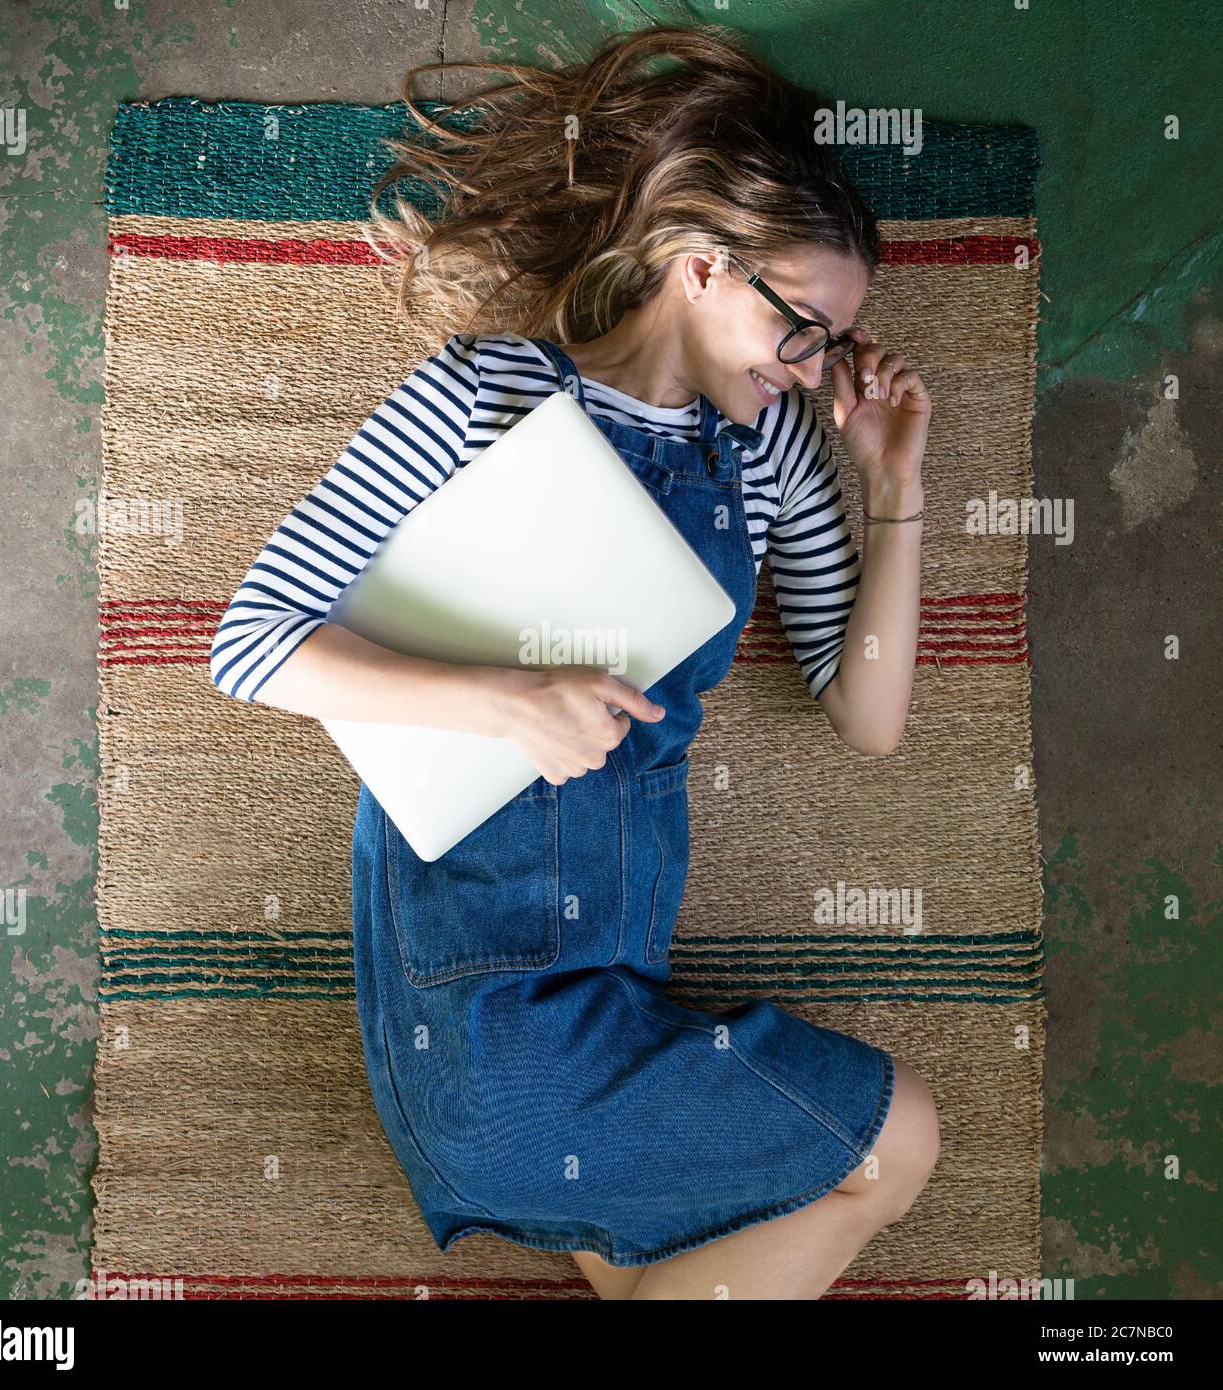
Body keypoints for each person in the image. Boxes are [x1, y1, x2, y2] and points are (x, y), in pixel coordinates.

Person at [210, 24, 939, 1300]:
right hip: (477, 1006)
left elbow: (868, 716)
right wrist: (503, 698)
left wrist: (892, 490)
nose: (815, 369)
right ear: (705, 267)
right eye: (806, 329)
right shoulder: (483, 394)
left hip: (616, 993)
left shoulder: (763, 458)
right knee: (898, 1135)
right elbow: (253, 644)